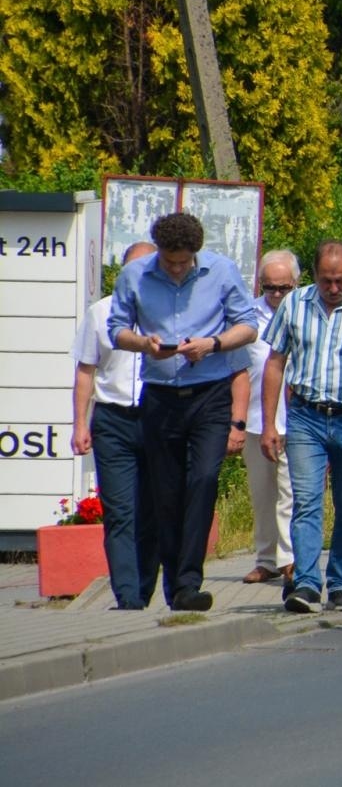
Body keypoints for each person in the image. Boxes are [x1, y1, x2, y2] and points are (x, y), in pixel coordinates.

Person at [107, 212, 256, 612]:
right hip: (160, 394)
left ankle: (190, 580)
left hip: (210, 392)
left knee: (204, 479)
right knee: (166, 493)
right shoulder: (135, 275)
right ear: (158, 252)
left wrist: (213, 343)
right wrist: (144, 344)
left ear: (195, 253)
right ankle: (176, 588)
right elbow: (116, 329)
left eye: (183, 261)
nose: (176, 268)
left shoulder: (221, 271)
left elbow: (248, 325)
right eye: (169, 261)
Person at [261, 241, 342, 613]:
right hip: (305, 417)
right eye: (326, 281)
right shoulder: (294, 305)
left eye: (340, 281)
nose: (333, 289)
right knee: (306, 502)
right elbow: (275, 362)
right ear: (314, 275)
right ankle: (305, 582)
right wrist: (270, 424)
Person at [70, 241, 158, 610]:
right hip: (113, 420)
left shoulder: (169, 313)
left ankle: (145, 585)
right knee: (120, 511)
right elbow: (86, 371)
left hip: (157, 418)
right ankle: (127, 595)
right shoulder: (100, 312)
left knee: (153, 510)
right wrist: (79, 424)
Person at [239, 250, 297, 585]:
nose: (276, 294)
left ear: (296, 283)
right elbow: (238, 369)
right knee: (262, 494)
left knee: (291, 493)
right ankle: (265, 558)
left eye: (283, 288)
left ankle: (290, 560)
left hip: (296, 420)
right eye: (270, 287)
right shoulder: (248, 314)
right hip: (257, 418)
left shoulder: (304, 308)